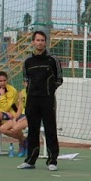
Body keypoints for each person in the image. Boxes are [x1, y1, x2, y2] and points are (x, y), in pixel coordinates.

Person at [19, 30, 63, 172]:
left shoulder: (52, 59)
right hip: (32, 100)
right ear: (33, 42)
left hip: (47, 100)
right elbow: (25, 78)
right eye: (37, 40)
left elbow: (59, 79)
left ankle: (52, 161)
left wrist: (49, 90)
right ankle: (30, 160)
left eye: (42, 40)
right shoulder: (27, 61)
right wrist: (30, 88)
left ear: (46, 43)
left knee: (50, 129)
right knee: (32, 130)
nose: (40, 43)